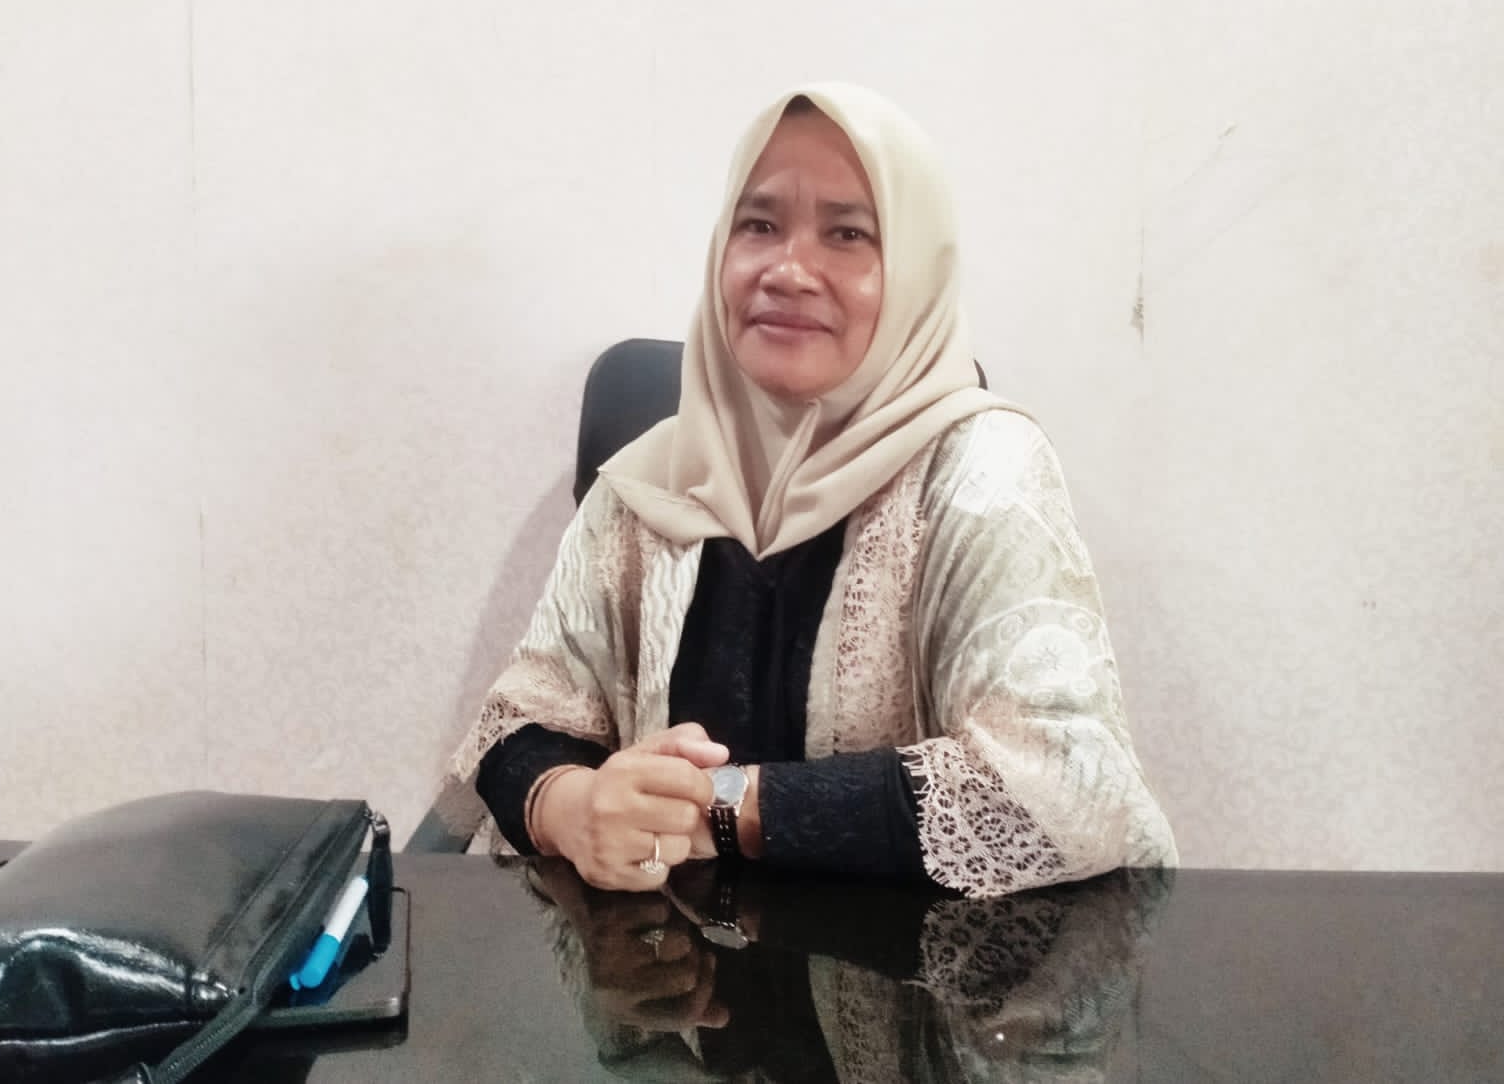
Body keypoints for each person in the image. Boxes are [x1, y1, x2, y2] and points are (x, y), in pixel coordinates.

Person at [438, 82, 1175, 895]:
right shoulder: (650, 483)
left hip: (917, 966)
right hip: (660, 963)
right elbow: (521, 718)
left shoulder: (982, 474)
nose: (788, 270)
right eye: (758, 225)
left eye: (848, 233)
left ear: (917, 274)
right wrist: (571, 806)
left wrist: (726, 805)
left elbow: (1067, 787)